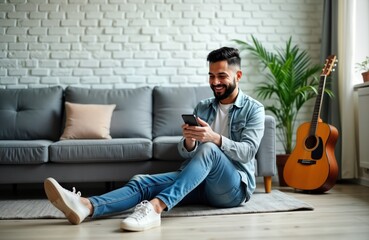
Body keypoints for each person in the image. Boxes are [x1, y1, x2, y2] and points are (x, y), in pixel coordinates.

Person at [44, 46, 265, 232]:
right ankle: (86, 206)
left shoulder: (254, 109)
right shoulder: (203, 106)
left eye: (222, 76)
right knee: (142, 182)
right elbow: (185, 152)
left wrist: (214, 139)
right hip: (200, 183)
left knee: (209, 149)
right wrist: (189, 142)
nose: (215, 82)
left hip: (232, 188)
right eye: (211, 75)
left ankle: (155, 208)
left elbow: (247, 152)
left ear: (238, 76)